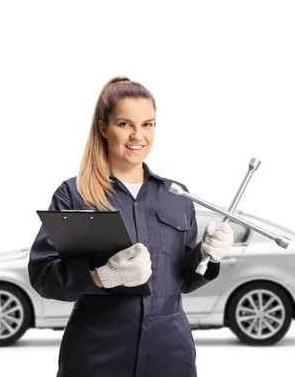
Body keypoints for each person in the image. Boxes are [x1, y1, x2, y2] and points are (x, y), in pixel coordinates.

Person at [27, 76, 234, 377]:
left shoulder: (176, 196)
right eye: (125, 124)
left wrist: (208, 256)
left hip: (170, 352)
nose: (138, 135)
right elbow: (43, 276)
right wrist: (102, 276)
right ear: (103, 128)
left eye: (148, 124)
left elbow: (185, 281)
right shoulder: (75, 194)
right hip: (96, 352)